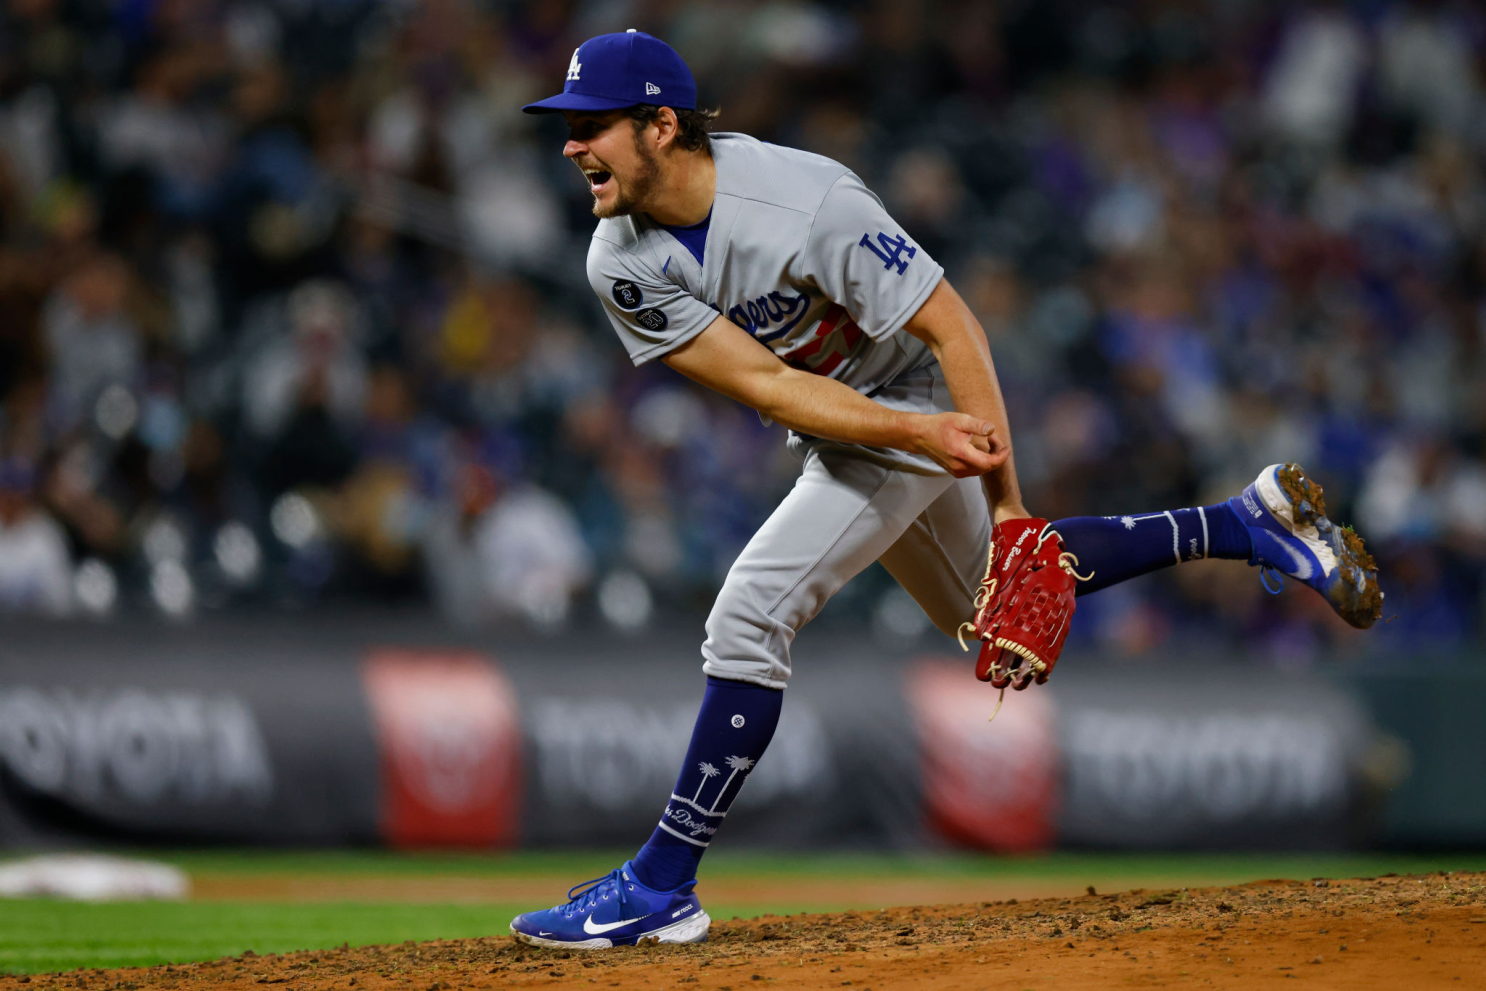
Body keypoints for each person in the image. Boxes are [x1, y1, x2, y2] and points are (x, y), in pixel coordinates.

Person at [509, 31, 1382, 949]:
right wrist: (918, 446)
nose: (571, 145)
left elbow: (954, 327)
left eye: (591, 124)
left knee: (749, 614)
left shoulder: (806, 202)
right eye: (568, 126)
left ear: (661, 124)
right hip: (868, 419)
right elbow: (767, 385)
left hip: (919, 385)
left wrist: (1009, 507)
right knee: (986, 605)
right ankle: (1248, 523)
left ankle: (659, 883)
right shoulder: (618, 259)